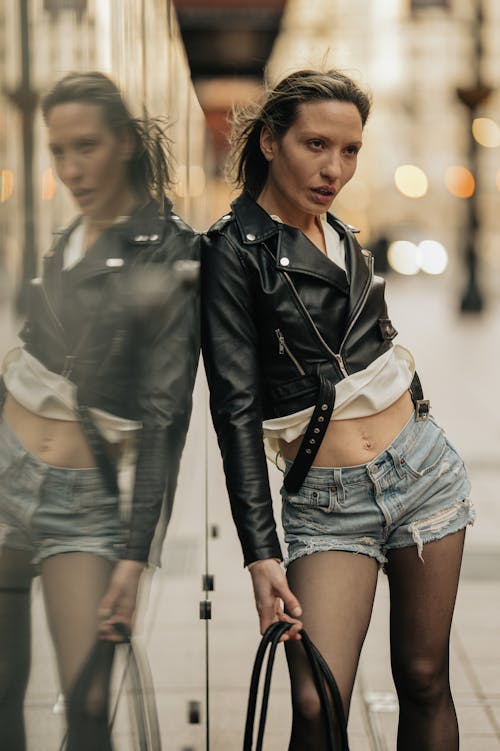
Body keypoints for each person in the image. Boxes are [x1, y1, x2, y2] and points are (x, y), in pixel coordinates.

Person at [201, 69, 474, 751]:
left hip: (424, 474)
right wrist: (261, 554)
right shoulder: (234, 250)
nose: (335, 168)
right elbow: (234, 408)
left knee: (424, 676)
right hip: (328, 502)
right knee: (318, 701)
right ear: (270, 140)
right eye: (316, 144)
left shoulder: (346, 234)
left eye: (350, 150)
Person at [0, 71, 199, 750]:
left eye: (85, 146)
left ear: (121, 142)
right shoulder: (67, 240)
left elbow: (165, 416)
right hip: (4, 475)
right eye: (58, 150)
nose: (71, 167)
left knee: (87, 705)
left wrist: (134, 554)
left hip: (79, 500)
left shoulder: (168, 248)